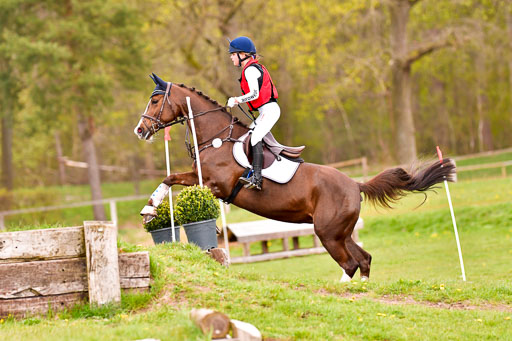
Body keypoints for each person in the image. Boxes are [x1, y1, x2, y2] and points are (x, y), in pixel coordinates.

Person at [226, 36, 279, 191]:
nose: (230, 57)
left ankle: (257, 177)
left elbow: (254, 94)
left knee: (255, 137)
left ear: (242, 55)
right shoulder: (250, 68)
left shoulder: (250, 70)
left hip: (269, 110)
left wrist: (236, 100)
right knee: (247, 138)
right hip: (265, 111)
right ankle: (253, 171)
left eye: (233, 54)